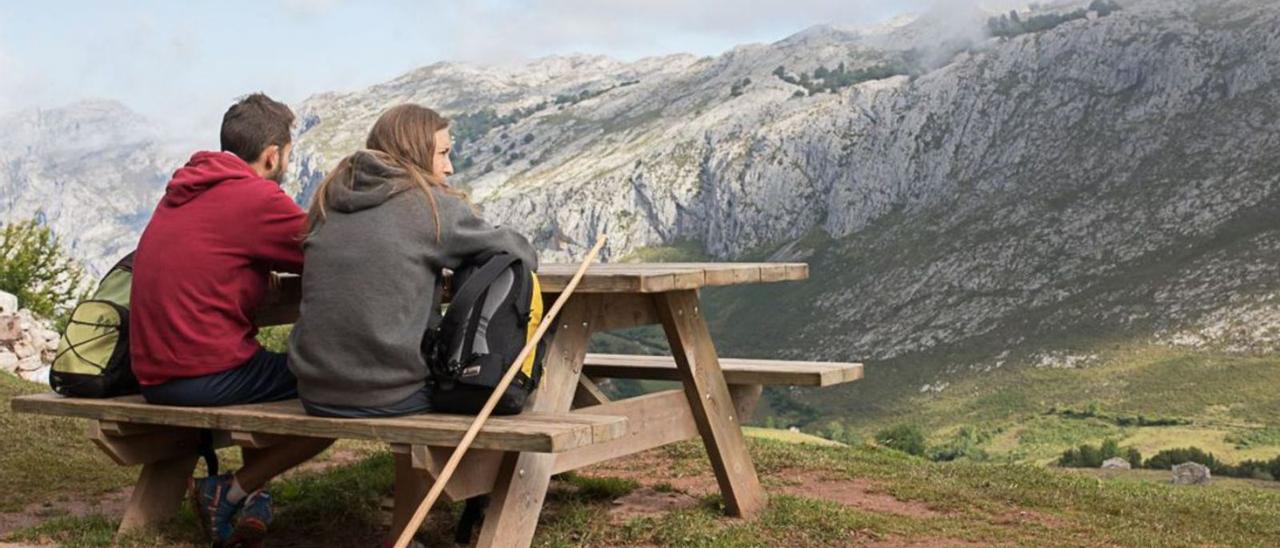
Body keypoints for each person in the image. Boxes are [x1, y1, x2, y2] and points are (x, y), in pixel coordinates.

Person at [287, 103, 537, 544]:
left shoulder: (329, 199)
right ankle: (409, 533)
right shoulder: (428, 205)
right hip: (388, 391)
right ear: (415, 152)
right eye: (442, 154)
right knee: (492, 383)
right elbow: (517, 253)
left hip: (313, 387)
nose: (450, 166)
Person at [130, 93, 333, 546]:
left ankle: (253, 496)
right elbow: (332, 254)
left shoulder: (185, 188)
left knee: (262, 363)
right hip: (201, 373)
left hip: (152, 372)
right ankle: (229, 490)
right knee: (341, 388)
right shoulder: (255, 196)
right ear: (273, 155)